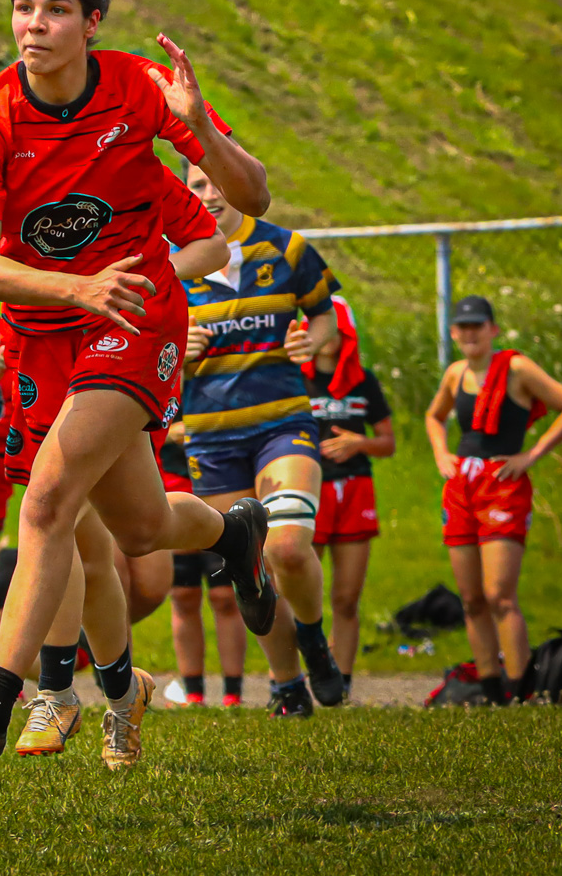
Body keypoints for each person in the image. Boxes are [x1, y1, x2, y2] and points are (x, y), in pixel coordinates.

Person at [0, 0, 277, 773]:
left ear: (93, 22)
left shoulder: (142, 88)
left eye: (57, 9)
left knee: (47, 508)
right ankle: (232, 534)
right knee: (140, 528)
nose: (35, 25)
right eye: (23, 7)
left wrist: (199, 122)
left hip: (135, 315)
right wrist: (72, 290)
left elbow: (250, 202)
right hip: (49, 330)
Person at [2, 176, 229, 764]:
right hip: (37, 370)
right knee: (90, 546)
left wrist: (144, 288)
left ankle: (60, 690)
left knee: (79, 525)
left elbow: (211, 243)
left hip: (113, 360)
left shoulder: (124, 157)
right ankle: (119, 696)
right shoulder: (1, 176)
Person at [181, 163, 345, 717]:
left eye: (219, 182)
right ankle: (285, 682)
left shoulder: (287, 249)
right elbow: (137, 358)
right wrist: (177, 353)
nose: (211, 194)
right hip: (212, 443)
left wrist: (313, 341)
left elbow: (326, 319)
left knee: (289, 548)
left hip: (283, 426)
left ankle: (314, 636)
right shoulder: (171, 267)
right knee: (251, 572)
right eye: (198, 184)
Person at [424, 295, 562, 705]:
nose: (471, 333)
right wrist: (442, 454)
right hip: (462, 485)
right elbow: (434, 416)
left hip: (503, 483)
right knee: (472, 598)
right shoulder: (456, 373)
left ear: (493, 329)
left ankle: (521, 687)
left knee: (499, 595)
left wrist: (531, 455)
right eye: (463, 326)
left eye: (478, 325)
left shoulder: (516, 367)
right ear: (454, 332)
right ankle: (492, 690)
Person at [303, 295, 394, 701]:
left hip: (355, 488)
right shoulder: (294, 379)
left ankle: (342, 685)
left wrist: (360, 443)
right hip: (310, 487)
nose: (325, 337)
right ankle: (291, 681)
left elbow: (388, 443)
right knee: (300, 589)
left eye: (334, 329)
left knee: (345, 596)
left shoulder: (364, 382)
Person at [163, 421, 245, 708]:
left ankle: (233, 693)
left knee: (224, 596)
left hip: (218, 488)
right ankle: (193, 691)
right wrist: (166, 431)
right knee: (184, 595)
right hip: (173, 487)